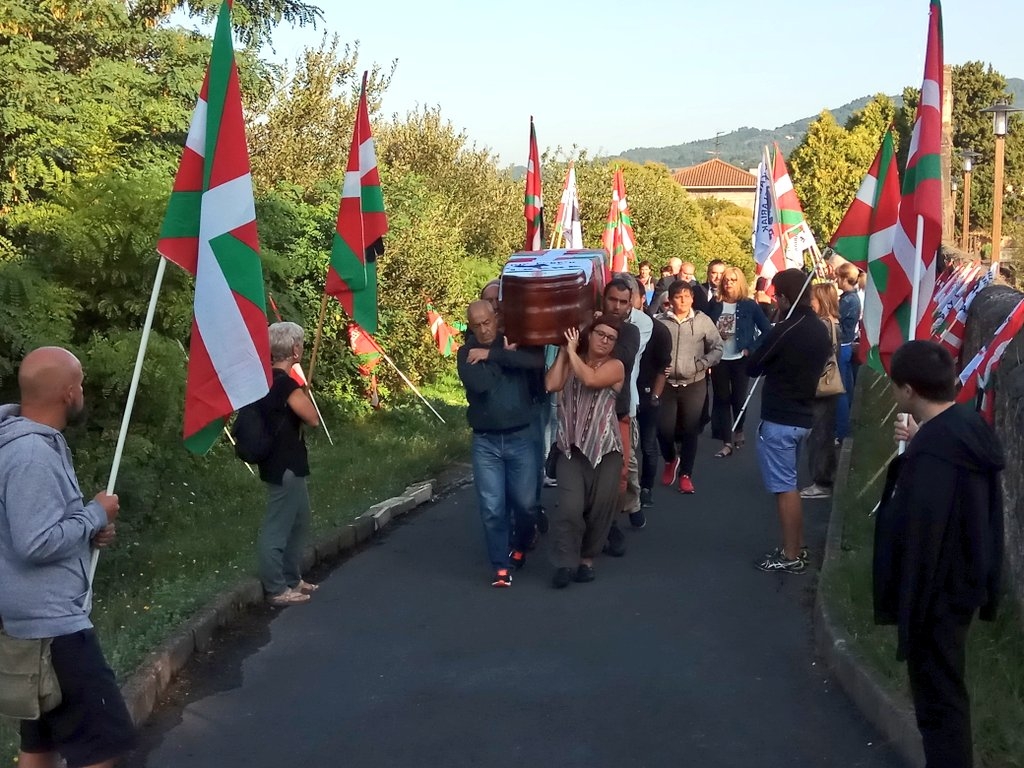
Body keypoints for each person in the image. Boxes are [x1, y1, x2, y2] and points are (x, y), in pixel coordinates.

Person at [0, 346, 138, 768]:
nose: (83, 390)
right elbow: (35, 542)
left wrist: (85, 531)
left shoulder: (28, 443)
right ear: (66, 392)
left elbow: (28, 529)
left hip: (31, 622)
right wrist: (95, 512)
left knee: (39, 747)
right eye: (79, 381)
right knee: (105, 747)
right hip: (53, 628)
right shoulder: (31, 455)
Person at [874, 340, 1004, 768]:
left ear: (909, 390)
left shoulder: (935, 452)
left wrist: (910, 603)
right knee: (948, 690)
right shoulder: (964, 428)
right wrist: (919, 439)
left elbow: (923, 530)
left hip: (936, 593)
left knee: (938, 700)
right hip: (964, 581)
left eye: (896, 387)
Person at [746, 269, 831, 574]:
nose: (773, 299)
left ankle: (790, 554)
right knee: (789, 484)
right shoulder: (819, 328)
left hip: (780, 417)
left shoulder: (784, 328)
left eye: (776, 295)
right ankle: (798, 545)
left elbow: (753, 367)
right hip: (803, 415)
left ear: (784, 297)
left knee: (785, 489)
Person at [457, 300, 542, 587]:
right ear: (470, 326)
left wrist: (493, 354)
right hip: (486, 442)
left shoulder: (515, 340)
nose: (483, 329)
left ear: (496, 318)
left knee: (526, 505)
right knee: (492, 507)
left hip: (521, 436)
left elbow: (534, 362)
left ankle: (520, 545)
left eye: (487, 322)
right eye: (477, 325)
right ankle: (501, 567)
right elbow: (480, 385)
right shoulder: (466, 352)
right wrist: (500, 357)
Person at [545, 317, 625, 588]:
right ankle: (564, 563)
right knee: (569, 507)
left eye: (610, 337)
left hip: (605, 448)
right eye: (599, 334)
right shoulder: (571, 359)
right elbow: (552, 385)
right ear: (588, 335)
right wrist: (563, 353)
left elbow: (590, 380)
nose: (604, 340)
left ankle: (587, 559)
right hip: (570, 447)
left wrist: (571, 354)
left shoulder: (615, 366)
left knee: (600, 507)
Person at [258, 322, 321, 606]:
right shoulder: (284, 383)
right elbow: (312, 417)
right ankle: (276, 587)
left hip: (287, 461)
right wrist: (302, 390)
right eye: (302, 345)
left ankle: (292, 578)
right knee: (279, 526)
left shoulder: (265, 379)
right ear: (295, 349)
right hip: (285, 463)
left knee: (299, 520)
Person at [656, 282, 723, 494]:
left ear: (692, 298)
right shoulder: (661, 322)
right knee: (664, 429)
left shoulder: (703, 321)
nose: (682, 301)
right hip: (667, 384)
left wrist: (701, 364)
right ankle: (670, 460)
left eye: (686, 296)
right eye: (678, 297)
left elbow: (718, 347)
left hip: (694, 382)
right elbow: (650, 350)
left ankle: (686, 475)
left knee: (690, 430)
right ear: (671, 299)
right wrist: (657, 368)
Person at [706, 267, 771, 458]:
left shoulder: (749, 305)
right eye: (726, 279)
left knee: (739, 398)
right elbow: (705, 326)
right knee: (722, 398)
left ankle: (739, 428)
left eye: (733, 280)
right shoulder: (715, 303)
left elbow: (766, 329)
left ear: (740, 282)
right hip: (719, 357)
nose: (729, 283)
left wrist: (750, 348)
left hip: (740, 358)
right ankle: (727, 441)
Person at [598, 278, 642, 557]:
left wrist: (597, 333)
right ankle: (593, 526)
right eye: (612, 299)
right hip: (586, 410)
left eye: (623, 302)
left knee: (620, 476)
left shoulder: (631, 332)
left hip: (618, 411)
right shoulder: (585, 325)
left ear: (630, 305)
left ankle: (610, 523)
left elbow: (622, 357)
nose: (616, 306)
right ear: (604, 299)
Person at [800, 283, 842, 499]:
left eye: (813, 300)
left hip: (821, 385)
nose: (809, 304)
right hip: (826, 385)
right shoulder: (832, 323)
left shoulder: (823, 325)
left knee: (819, 433)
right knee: (822, 432)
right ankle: (826, 475)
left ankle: (821, 481)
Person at [635, 292, 672, 515]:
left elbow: (663, 367)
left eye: (629, 298)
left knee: (648, 444)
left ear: (641, 298)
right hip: (620, 393)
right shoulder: (613, 327)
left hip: (648, 392)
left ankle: (646, 487)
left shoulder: (657, 330)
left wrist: (656, 396)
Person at [835, 262, 861, 442]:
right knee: (846, 387)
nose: (836, 280)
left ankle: (841, 431)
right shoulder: (848, 298)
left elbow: (836, 319)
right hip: (846, 344)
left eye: (838, 277)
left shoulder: (848, 300)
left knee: (841, 391)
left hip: (843, 345)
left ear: (845, 279)